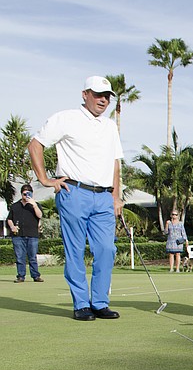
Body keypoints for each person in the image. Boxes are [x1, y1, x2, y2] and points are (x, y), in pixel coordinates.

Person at [28, 75, 123, 321]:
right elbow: (35, 145)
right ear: (85, 94)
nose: (103, 100)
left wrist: (116, 196)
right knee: (75, 251)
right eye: (98, 94)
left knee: (106, 249)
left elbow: (115, 162)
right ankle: (81, 303)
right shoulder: (66, 118)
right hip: (74, 192)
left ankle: (100, 302)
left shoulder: (110, 126)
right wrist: (46, 180)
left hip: (104, 196)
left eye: (107, 96)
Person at [6, 184, 44, 283]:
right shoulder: (15, 206)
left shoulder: (35, 204)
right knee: (20, 257)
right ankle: (21, 276)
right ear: (21, 194)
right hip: (18, 235)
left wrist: (34, 204)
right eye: (24, 194)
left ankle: (35, 276)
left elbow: (40, 215)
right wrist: (12, 227)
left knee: (32, 257)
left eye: (28, 193)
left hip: (32, 235)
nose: (26, 196)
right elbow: (9, 219)